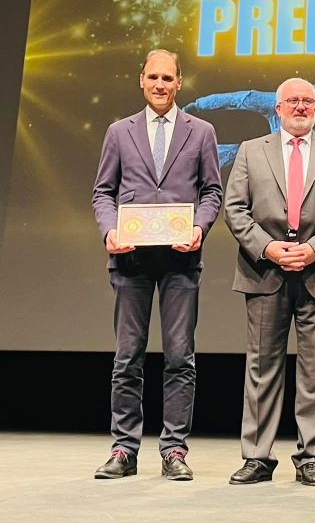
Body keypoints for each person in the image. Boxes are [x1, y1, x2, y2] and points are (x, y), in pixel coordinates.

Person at [92, 49, 222, 480]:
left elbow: (212, 193)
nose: (161, 84)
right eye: (153, 77)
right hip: (130, 260)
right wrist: (109, 230)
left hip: (181, 261)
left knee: (180, 357)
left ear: (180, 82)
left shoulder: (201, 131)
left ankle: (174, 450)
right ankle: (124, 449)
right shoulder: (118, 132)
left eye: (168, 77)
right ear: (141, 80)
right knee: (127, 357)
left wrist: (200, 228)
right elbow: (102, 193)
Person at [224, 77, 315, 486]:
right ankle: (257, 457)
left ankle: (311, 458)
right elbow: (235, 207)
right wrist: (267, 248)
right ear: (278, 108)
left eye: (307, 102)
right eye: (292, 101)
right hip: (264, 271)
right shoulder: (251, 151)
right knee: (261, 368)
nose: (300, 107)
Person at [184, 69, 315, 168]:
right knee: (243, 98)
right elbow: (300, 101)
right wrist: (198, 105)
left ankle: (212, 156)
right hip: (278, 107)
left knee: (264, 153)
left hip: (294, 127)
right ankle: (199, 105)